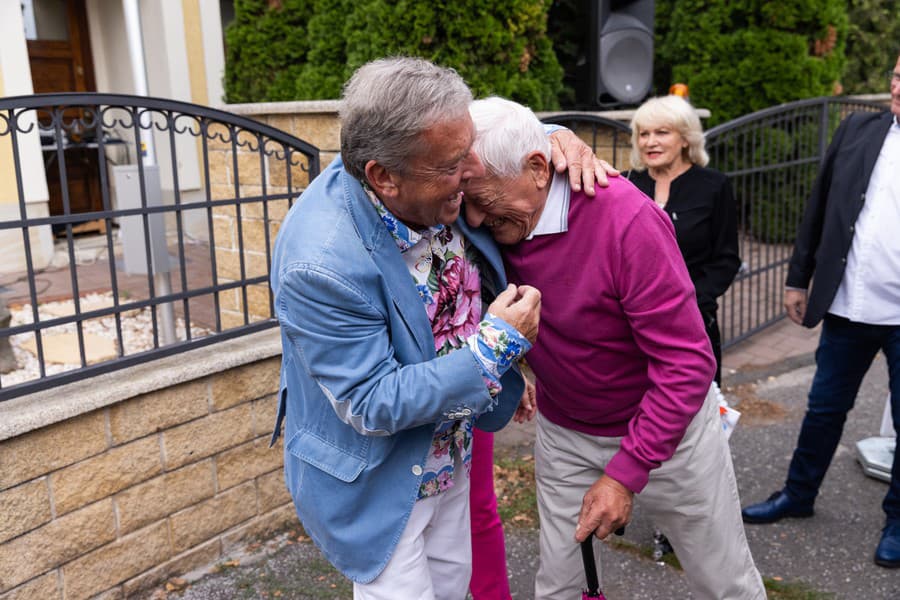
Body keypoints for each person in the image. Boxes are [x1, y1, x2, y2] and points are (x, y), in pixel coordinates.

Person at [269, 57, 609, 599]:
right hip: (382, 479)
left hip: (450, 450)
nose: (470, 172)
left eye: (467, 150)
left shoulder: (423, 165)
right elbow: (371, 401)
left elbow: (495, 144)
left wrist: (557, 136)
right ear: (383, 175)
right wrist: (495, 348)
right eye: (453, 165)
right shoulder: (321, 264)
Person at [464, 96, 766, 600]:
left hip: (669, 435)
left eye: (483, 201)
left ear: (538, 169)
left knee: (725, 581)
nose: (470, 220)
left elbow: (688, 362)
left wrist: (627, 473)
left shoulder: (625, 219)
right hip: (566, 432)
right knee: (559, 584)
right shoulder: (498, 205)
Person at [741, 52, 900, 570]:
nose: (898, 86)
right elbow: (820, 206)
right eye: (897, 75)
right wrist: (796, 277)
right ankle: (798, 494)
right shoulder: (859, 128)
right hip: (849, 307)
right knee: (824, 409)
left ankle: (897, 517)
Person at [626, 95, 741, 385]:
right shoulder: (627, 186)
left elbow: (726, 258)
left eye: (662, 132)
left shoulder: (713, 186)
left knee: (697, 407)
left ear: (686, 139)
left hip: (694, 321)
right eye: (644, 134)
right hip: (633, 324)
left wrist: (693, 300)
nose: (650, 142)